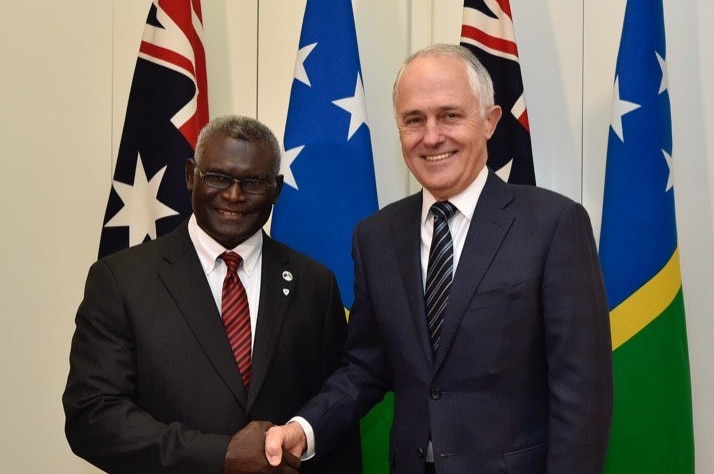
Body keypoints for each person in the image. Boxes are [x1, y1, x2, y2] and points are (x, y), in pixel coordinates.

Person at [264, 44, 613, 474]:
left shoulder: (554, 225)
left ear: (489, 122)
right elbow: (366, 366)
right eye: (414, 120)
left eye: (449, 115)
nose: (431, 136)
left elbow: (582, 393)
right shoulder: (376, 237)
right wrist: (304, 428)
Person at [63, 115, 362, 474]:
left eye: (252, 182)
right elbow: (93, 417)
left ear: (277, 190)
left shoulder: (314, 284)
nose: (234, 195)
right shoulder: (120, 281)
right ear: (191, 175)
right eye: (219, 177)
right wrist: (220, 456)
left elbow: (334, 419)